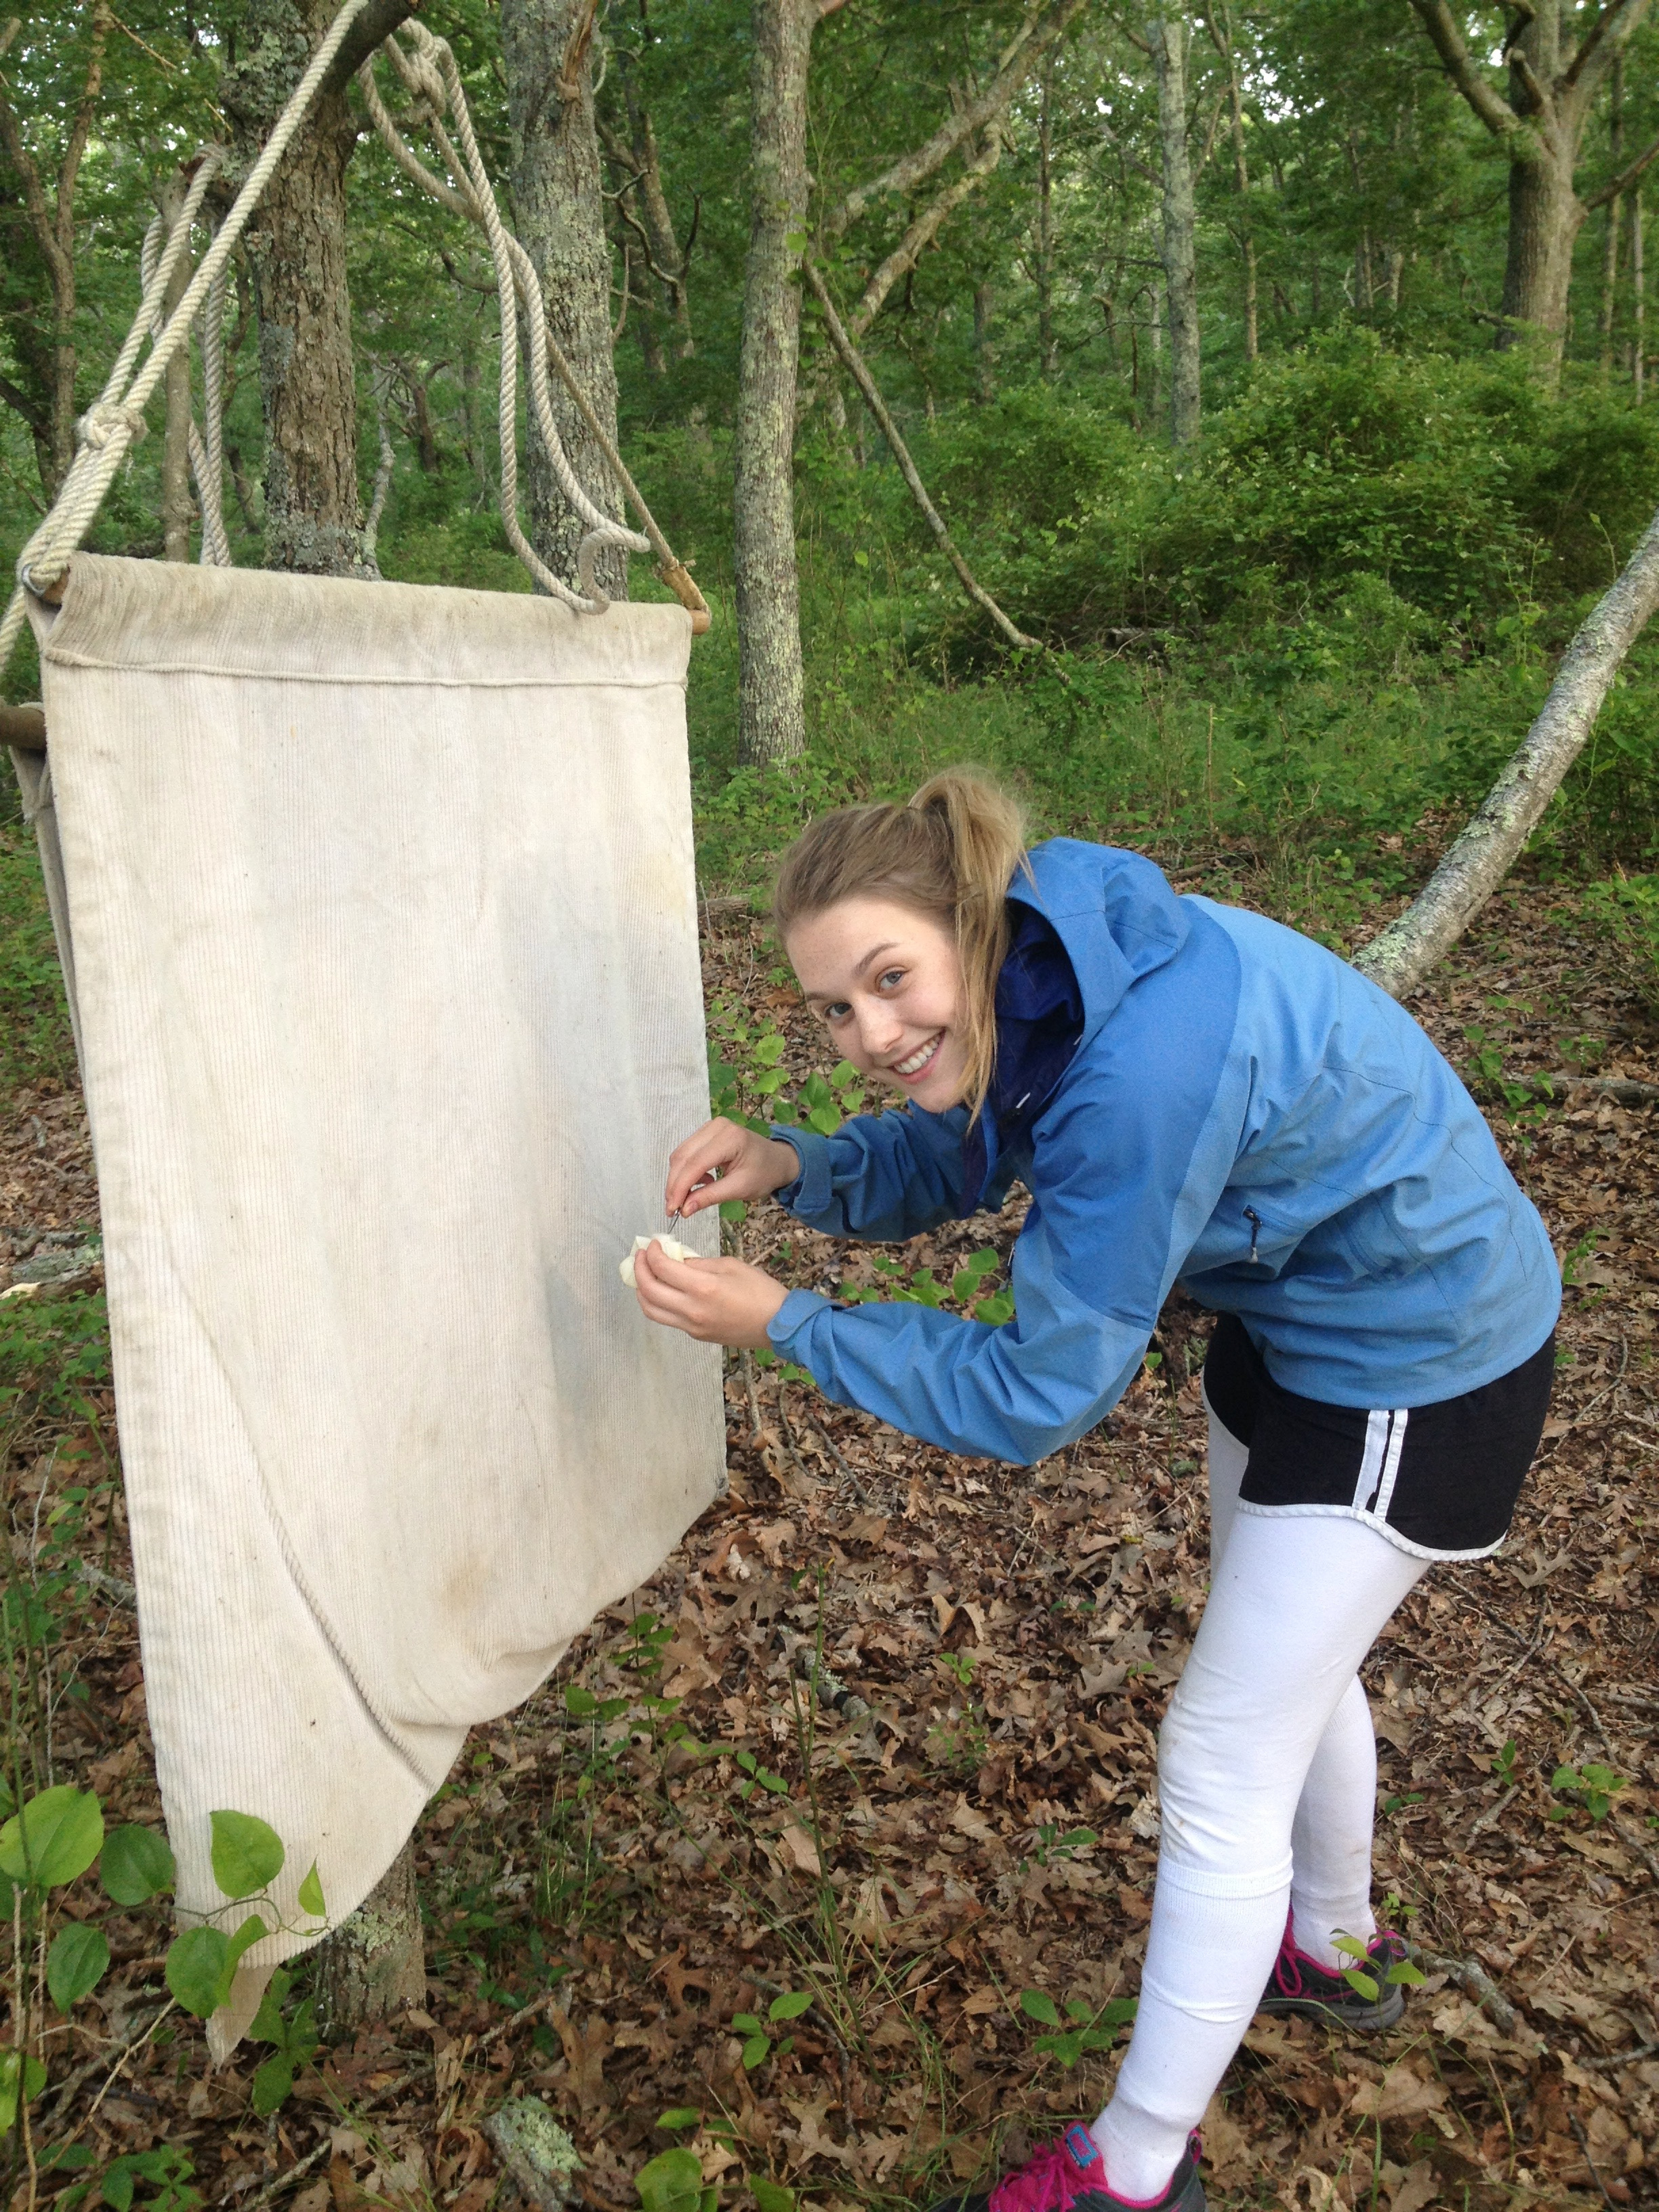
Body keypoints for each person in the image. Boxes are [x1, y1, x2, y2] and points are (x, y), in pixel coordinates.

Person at [630, 771, 1559, 2212]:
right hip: (1302, 1320)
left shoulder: (1138, 1071)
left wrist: (787, 1325)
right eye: (833, 1008)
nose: (872, 1037)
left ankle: (1131, 2177)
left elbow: (1040, 1394)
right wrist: (797, 1165)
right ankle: (1333, 1941)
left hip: (1422, 1357)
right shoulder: (1057, 967)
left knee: (1218, 1760)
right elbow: (965, 1139)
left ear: (971, 925)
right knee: (1290, 1662)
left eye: (891, 980)